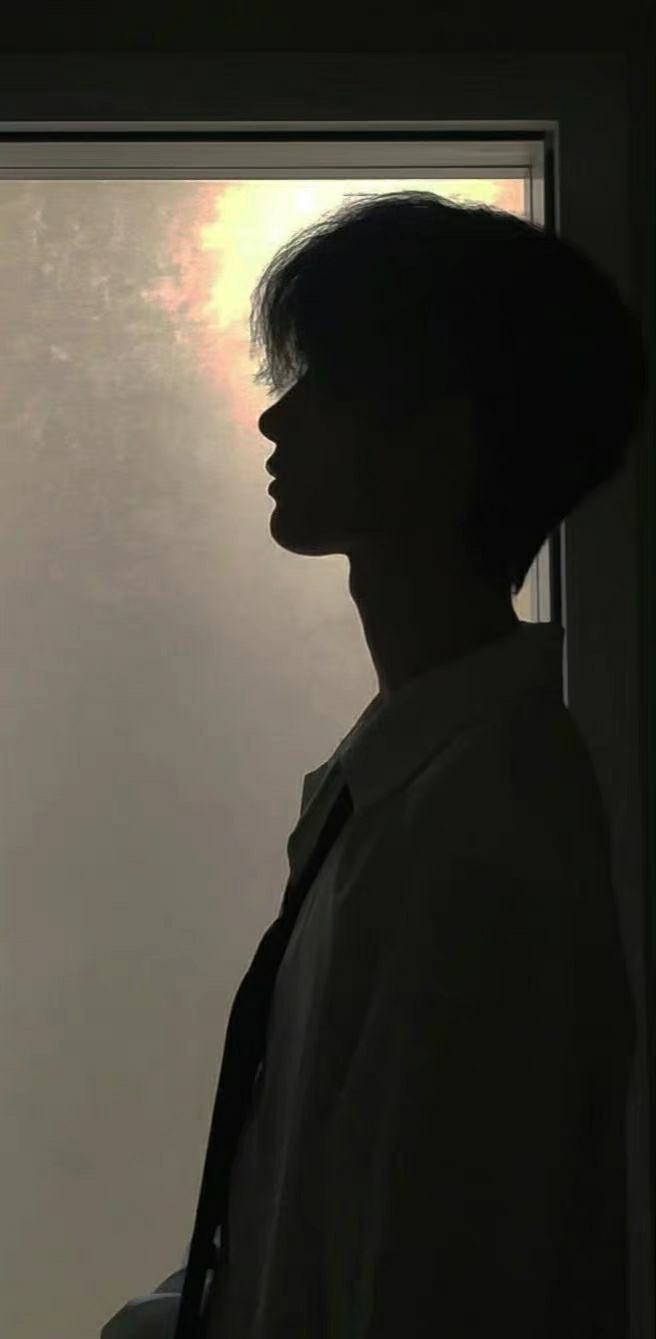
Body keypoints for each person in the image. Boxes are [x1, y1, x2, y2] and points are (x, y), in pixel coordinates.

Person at [102, 190, 647, 1338]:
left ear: (442, 440)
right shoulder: (422, 784)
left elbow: (428, 1283)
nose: (273, 420)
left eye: (327, 384)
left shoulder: (482, 829)